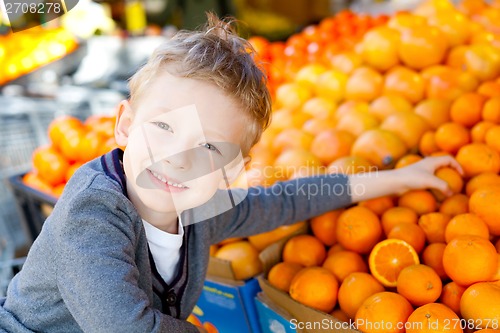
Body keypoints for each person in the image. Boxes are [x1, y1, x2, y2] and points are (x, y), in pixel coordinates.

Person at [0, 14, 462, 333]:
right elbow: (123, 326)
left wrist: (400, 179)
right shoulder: (92, 213)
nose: (178, 158)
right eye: (163, 126)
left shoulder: (198, 208)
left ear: (231, 170)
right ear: (124, 124)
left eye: (207, 147)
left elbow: (286, 201)